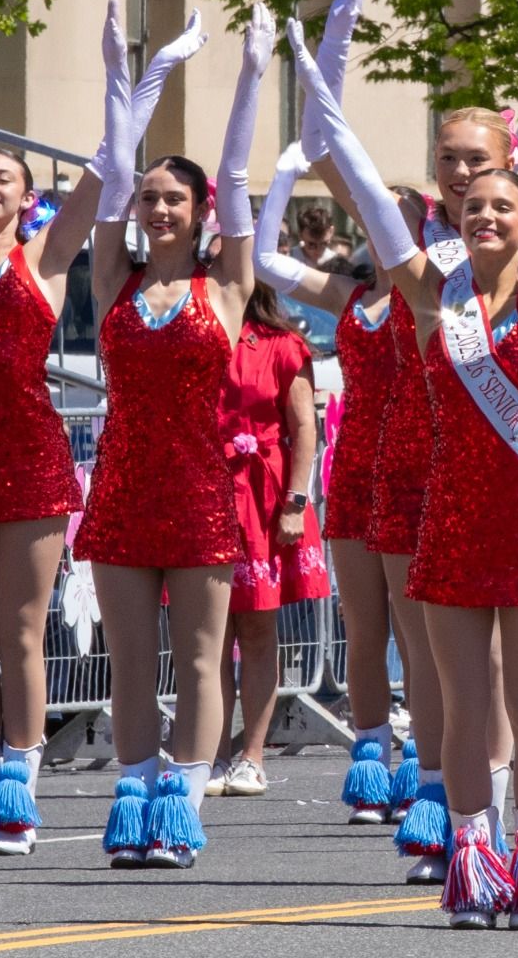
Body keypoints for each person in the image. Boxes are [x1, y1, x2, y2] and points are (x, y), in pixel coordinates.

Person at [295, 0, 518, 923]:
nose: (483, 212)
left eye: (499, 201)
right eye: (467, 200)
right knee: (459, 706)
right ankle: (470, 859)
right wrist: (324, 67)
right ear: (451, 208)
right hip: (448, 518)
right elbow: (353, 180)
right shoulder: (431, 294)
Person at [75, 5, 252, 871]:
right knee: (131, 660)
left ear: (200, 208)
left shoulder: (225, 288)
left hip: (198, 490)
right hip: (120, 487)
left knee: (200, 656)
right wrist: (129, 74)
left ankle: (181, 804)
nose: (156, 208)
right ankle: (135, 794)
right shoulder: (114, 277)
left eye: (173, 197)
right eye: (149, 197)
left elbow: (241, 171)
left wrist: (251, 75)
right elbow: (108, 177)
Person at [245, 0, 407, 828]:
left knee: (421, 632)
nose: (383, 236)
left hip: (424, 470)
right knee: (366, 630)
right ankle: (375, 758)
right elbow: (267, 263)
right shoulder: (352, 296)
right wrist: (278, 179)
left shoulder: (437, 293)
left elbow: (352, 165)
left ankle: (430, 752)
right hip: (360, 474)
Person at [0, 114, 109, 852]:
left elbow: (97, 190)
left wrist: (128, 95)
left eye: (3, 177)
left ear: (26, 195)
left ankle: (19, 787)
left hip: (31, 462)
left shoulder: (45, 259)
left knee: (21, 632)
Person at [209, 280, 330, 797]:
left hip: (262, 495)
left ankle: (251, 756)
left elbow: (306, 428)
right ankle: (207, 754)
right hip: (205, 491)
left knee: (256, 630)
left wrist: (296, 503)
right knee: (205, 635)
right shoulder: (197, 337)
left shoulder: (282, 345)